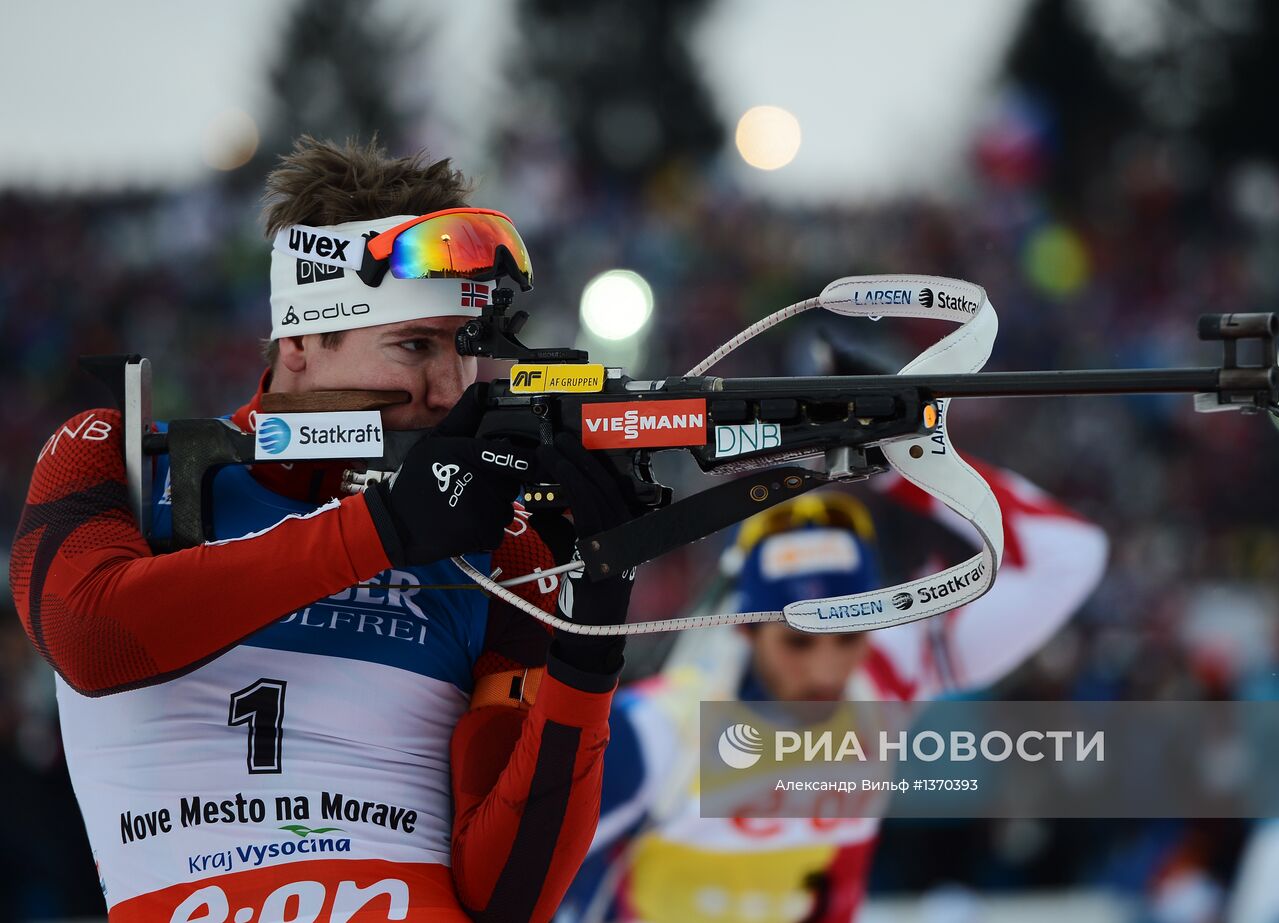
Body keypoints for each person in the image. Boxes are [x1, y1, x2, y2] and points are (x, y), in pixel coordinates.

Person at [9, 136, 634, 923]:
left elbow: (506, 895)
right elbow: (91, 633)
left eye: (468, 351)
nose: (450, 390)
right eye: (416, 345)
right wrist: (380, 529)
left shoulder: (498, 544)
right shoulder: (123, 462)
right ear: (301, 340)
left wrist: (593, 633)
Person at [557, 467, 1109, 923]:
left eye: (848, 636)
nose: (825, 668)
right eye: (797, 641)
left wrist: (909, 460)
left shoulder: (890, 671)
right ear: (745, 627)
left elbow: (1072, 554)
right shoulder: (657, 731)